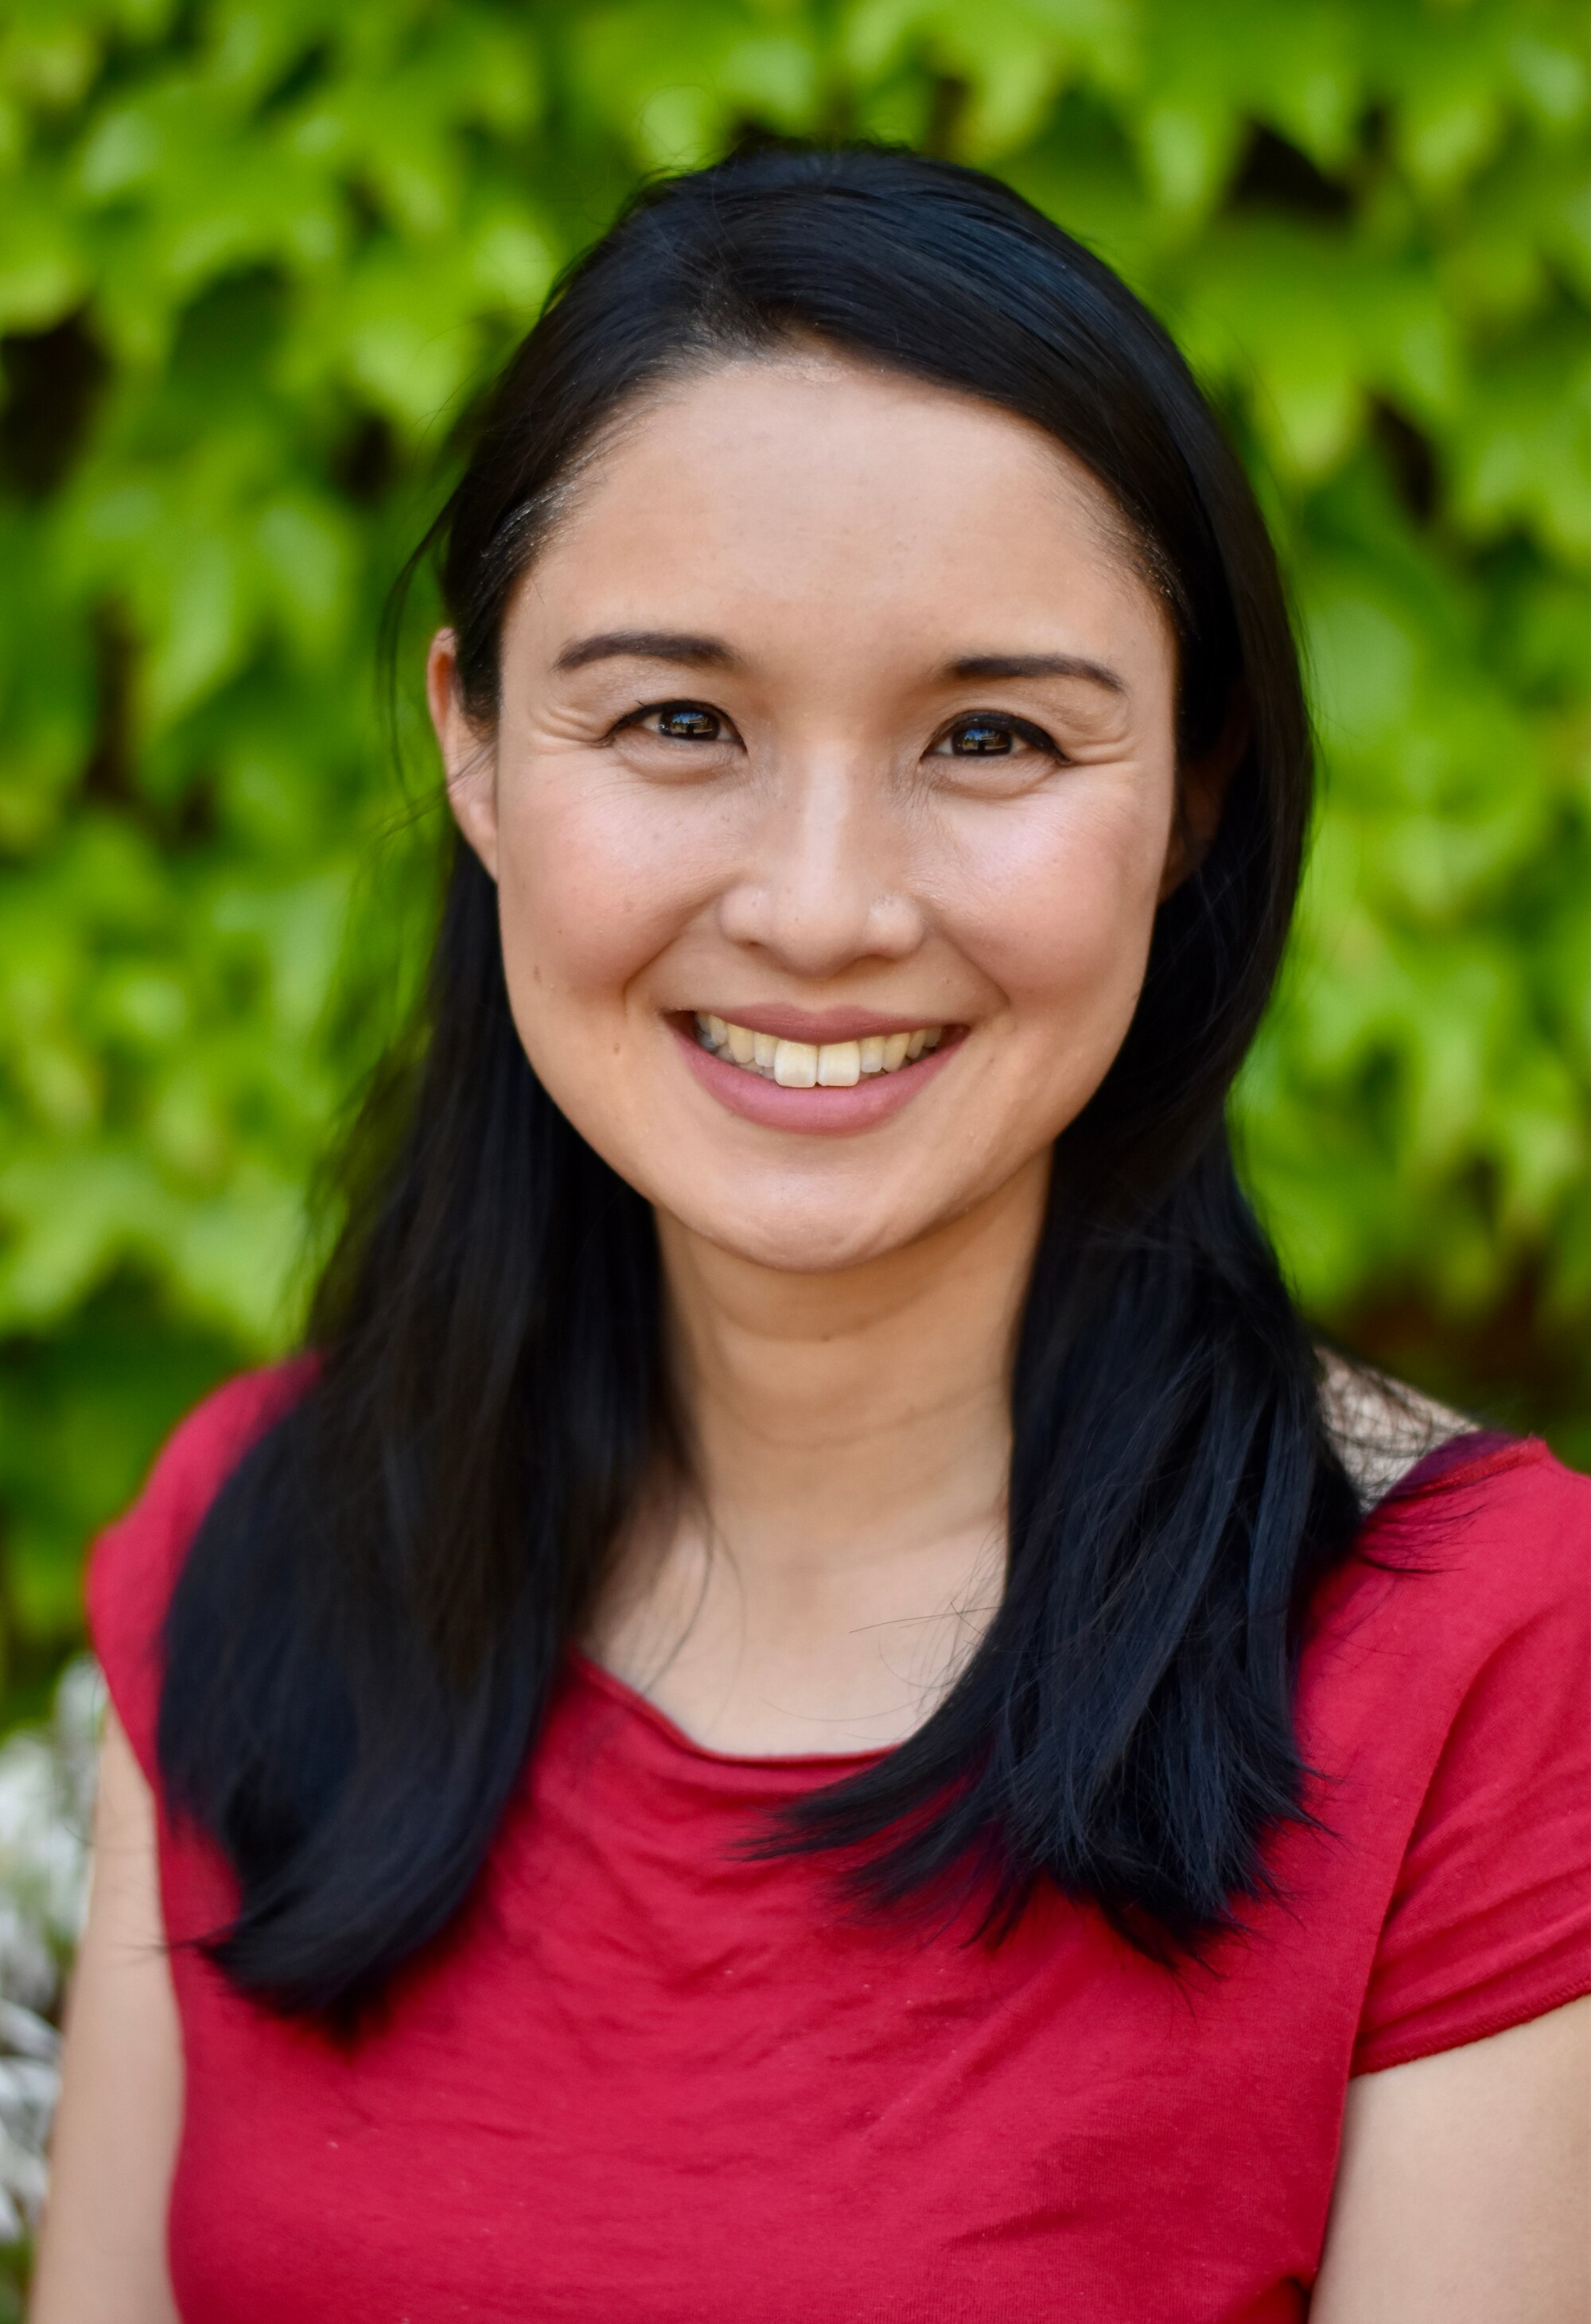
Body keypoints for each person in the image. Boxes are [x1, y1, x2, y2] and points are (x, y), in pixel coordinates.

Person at [33, 146, 1588, 2323]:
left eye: (991, 734)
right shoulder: (258, 1538)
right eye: (680, 721)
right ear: (472, 743)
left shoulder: (1481, 1652)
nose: (827, 908)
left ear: (1196, 787)